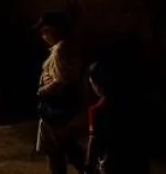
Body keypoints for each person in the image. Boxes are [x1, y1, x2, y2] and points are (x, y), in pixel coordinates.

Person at [35, 12, 86, 174]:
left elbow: (63, 81)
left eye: (45, 31)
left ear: (53, 30)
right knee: (63, 150)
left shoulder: (61, 50)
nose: (43, 36)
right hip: (63, 110)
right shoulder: (67, 47)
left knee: (59, 151)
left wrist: (42, 90)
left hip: (58, 111)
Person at [86, 61, 149, 174]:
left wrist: (89, 167)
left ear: (97, 84)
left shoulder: (97, 110)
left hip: (112, 164)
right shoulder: (134, 103)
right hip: (138, 161)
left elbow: (93, 142)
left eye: (92, 84)